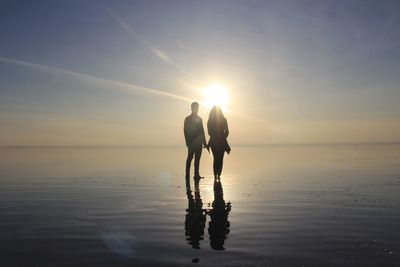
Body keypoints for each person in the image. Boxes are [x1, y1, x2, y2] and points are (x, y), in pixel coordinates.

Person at [184, 102, 207, 179]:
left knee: (197, 159)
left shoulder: (199, 119)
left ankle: (196, 174)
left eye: (197, 108)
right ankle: (187, 174)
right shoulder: (187, 119)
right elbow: (185, 131)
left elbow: (202, 131)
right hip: (191, 142)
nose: (196, 109)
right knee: (190, 158)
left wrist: (204, 142)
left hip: (198, 143)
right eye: (195, 107)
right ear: (191, 108)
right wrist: (187, 142)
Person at [207, 106, 231, 180]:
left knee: (216, 158)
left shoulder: (210, 120)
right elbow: (227, 132)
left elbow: (209, 133)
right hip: (222, 142)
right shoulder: (224, 120)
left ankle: (215, 175)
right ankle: (218, 175)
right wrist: (223, 137)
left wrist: (215, 136)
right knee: (220, 159)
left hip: (213, 141)